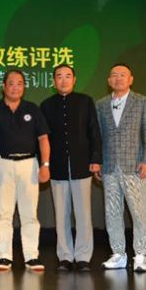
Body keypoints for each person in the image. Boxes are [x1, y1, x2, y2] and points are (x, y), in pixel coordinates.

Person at [0, 70, 51, 272]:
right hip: (1, 164)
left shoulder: (32, 109)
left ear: (24, 87)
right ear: (4, 86)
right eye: (11, 83)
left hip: (29, 165)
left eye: (20, 83)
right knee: (3, 213)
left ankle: (32, 256)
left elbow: (43, 139)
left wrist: (45, 165)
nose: (15, 87)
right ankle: (4, 257)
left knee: (30, 213)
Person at [40, 64, 102, 272]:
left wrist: (96, 158)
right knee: (61, 214)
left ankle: (83, 256)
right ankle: (65, 256)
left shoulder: (85, 102)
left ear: (74, 80)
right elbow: (42, 138)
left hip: (81, 165)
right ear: (53, 81)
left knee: (83, 214)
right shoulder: (46, 105)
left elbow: (94, 132)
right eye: (59, 76)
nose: (63, 80)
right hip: (56, 166)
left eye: (68, 76)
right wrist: (44, 164)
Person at [95, 63, 146, 273]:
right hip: (110, 166)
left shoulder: (142, 101)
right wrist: (98, 161)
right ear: (108, 80)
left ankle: (141, 255)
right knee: (112, 212)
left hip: (134, 166)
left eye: (122, 75)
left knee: (139, 212)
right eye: (114, 75)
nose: (118, 78)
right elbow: (98, 136)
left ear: (131, 79)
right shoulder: (101, 104)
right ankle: (119, 254)